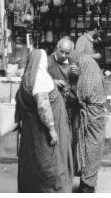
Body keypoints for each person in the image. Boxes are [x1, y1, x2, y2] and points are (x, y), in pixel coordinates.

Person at [15, 49, 73, 192]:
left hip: (32, 130)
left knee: (34, 161)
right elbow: (43, 106)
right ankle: (52, 189)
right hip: (44, 133)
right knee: (51, 161)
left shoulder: (28, 76)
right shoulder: (40, 77)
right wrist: (52, 129)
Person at [73, 56, 107, 192]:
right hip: (96, 117)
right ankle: (88, 182)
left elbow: (82, 95)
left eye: (81, 67)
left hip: (92, 118)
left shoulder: (87, 84)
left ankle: (87, 184)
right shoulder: (95, 77)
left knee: (89, 149)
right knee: (92, 149)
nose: (79, 69)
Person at [47, 37, 80, 121]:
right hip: (53, 105)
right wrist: (53, 82)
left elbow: (81, 85)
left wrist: (78, 74)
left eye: (67, 53)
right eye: (61, 51)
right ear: (57, 47)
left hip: (71, 106)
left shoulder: (74, 62)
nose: (63, 55)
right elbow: (39, 81)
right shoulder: (47, 61)